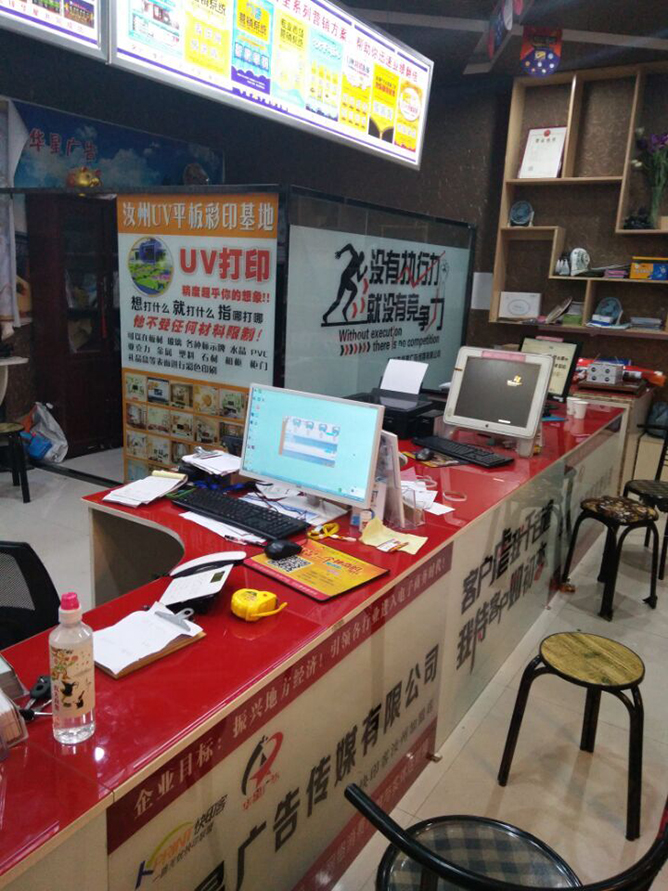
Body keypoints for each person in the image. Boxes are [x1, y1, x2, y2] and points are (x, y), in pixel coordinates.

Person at [322, 243, 368, 324]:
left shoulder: (358, 266)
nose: (361, 262)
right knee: (343, 298)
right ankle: (343, 309)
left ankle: (328, 314)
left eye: (361, 261)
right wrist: (340, 252)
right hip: (345, 277)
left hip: (346, 279)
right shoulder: (355, 256)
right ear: (360, 257)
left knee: (340, 299)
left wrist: (364, 272)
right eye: (361, 260)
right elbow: (349, 245)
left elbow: (358, 279)